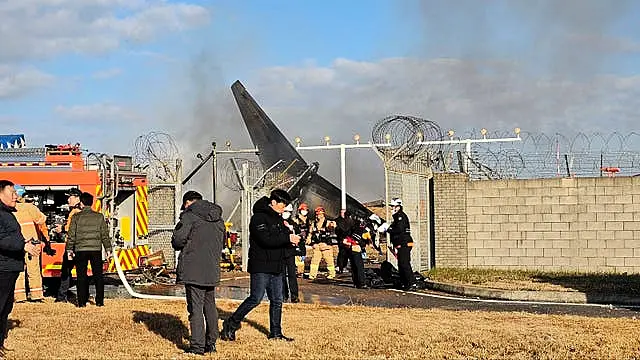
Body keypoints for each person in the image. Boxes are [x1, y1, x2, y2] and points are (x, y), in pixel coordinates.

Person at [221, 189, 300, 342]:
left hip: (276, 265)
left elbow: (281, 240)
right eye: (283, 205)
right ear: (274, 202)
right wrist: (286, 237)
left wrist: (292, 241)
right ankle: (231, 322)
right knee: (255, 298)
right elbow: (266, 240)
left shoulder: (278, 219)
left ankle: (276, 333)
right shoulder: (258, 218)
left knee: (277, 300)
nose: (284, 209)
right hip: (261, 265)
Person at [171, 190, 224, 355]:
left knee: (195, 308)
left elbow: (178, 240)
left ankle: (197, 347)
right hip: (212, 268)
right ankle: (211, 343)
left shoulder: (189, 216)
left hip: (193, 269)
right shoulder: (218, 218)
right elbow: (222, 242)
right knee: (210, 306)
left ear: (188, 202)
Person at [0, 180, 40, 357]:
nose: (16, 196)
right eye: (12, 193)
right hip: (3, 267)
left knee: (6, 308)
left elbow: (10, 237)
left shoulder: (7, 213)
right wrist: (23, 246)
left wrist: (26, 243)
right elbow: (2, 239)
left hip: (10, 266)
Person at [66, 192, 111, 307]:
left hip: (80, 250)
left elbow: (71, 235)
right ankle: (99, 301)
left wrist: (69, 250)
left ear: (81, 203)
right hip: (95, 249)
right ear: (91, 203)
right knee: (98, 276)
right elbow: (104, 234)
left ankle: (81, 302)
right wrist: (108, 248)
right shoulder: (99, 216)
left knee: (81, 276)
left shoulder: (76, 217)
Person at [13, 185, 50, 302]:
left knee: (19, 270)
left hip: (17, 243)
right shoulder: (29, 207)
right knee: (33, 270)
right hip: (32, 244)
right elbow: (42, 219)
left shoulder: (10, 209)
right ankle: (36, 295)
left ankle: (19, 297)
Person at [379, 198, 414, 290]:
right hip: (401, 243)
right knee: (401, 264)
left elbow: (399, 230)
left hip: (404, 243)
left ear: (398, 206)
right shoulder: (396, 218)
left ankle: (411, 283)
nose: (392, 208)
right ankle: (404, 282)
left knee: (404, 263)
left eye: (393, 206)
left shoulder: (400, 216)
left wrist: (388, 229)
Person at [55, 188, 83, 303]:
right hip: (82, 247)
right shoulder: (83, 210)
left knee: (66, 271)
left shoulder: (74, 212)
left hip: (72, 247)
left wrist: (60, 229)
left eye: (70, 197)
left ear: (77, 198)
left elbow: (70, 230)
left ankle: (61, 297)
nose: (68, 199)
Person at [337, 210, 367, 289]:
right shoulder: (355, 225)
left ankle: (356, 282)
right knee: (358, 265)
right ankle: (361, 282)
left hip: (348, 246)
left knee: (354, 265)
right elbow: (360, 236)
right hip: (354, 245)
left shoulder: (343, 223)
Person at [307, 207, 336, 280]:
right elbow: (310, 233)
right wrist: (309, 240)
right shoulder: (314, 224)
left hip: (326, 246)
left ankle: (331, 274)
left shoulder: (328, 222)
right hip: (317, 246)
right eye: (317, 214)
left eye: (320, 214)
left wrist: (332, 226)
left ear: (323, 214)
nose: (318, 216)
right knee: (314, 261)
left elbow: (333, 227)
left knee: (329, 261)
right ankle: (312, 275)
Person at [281, 204, 299, 303]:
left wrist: (291, 229)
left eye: (287, 212)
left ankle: (294, 295)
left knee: (292, 274)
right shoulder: (278, 222)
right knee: (281, 274)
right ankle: (284, 294)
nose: (286, 214)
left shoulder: (293, 224)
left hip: (290, 251)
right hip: (280, 252)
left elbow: (299, 236)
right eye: (284, 212)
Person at [291, 203, 310, 276]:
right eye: (303, 210)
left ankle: (300, 271)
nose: (304, 211)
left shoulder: (308, 221)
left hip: (303, 240)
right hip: (297, 239)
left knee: (302, 254)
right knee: (297, 255)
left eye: (306, 210)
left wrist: (308, 238)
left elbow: (310, 231)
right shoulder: (295, 220)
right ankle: (298, 271)